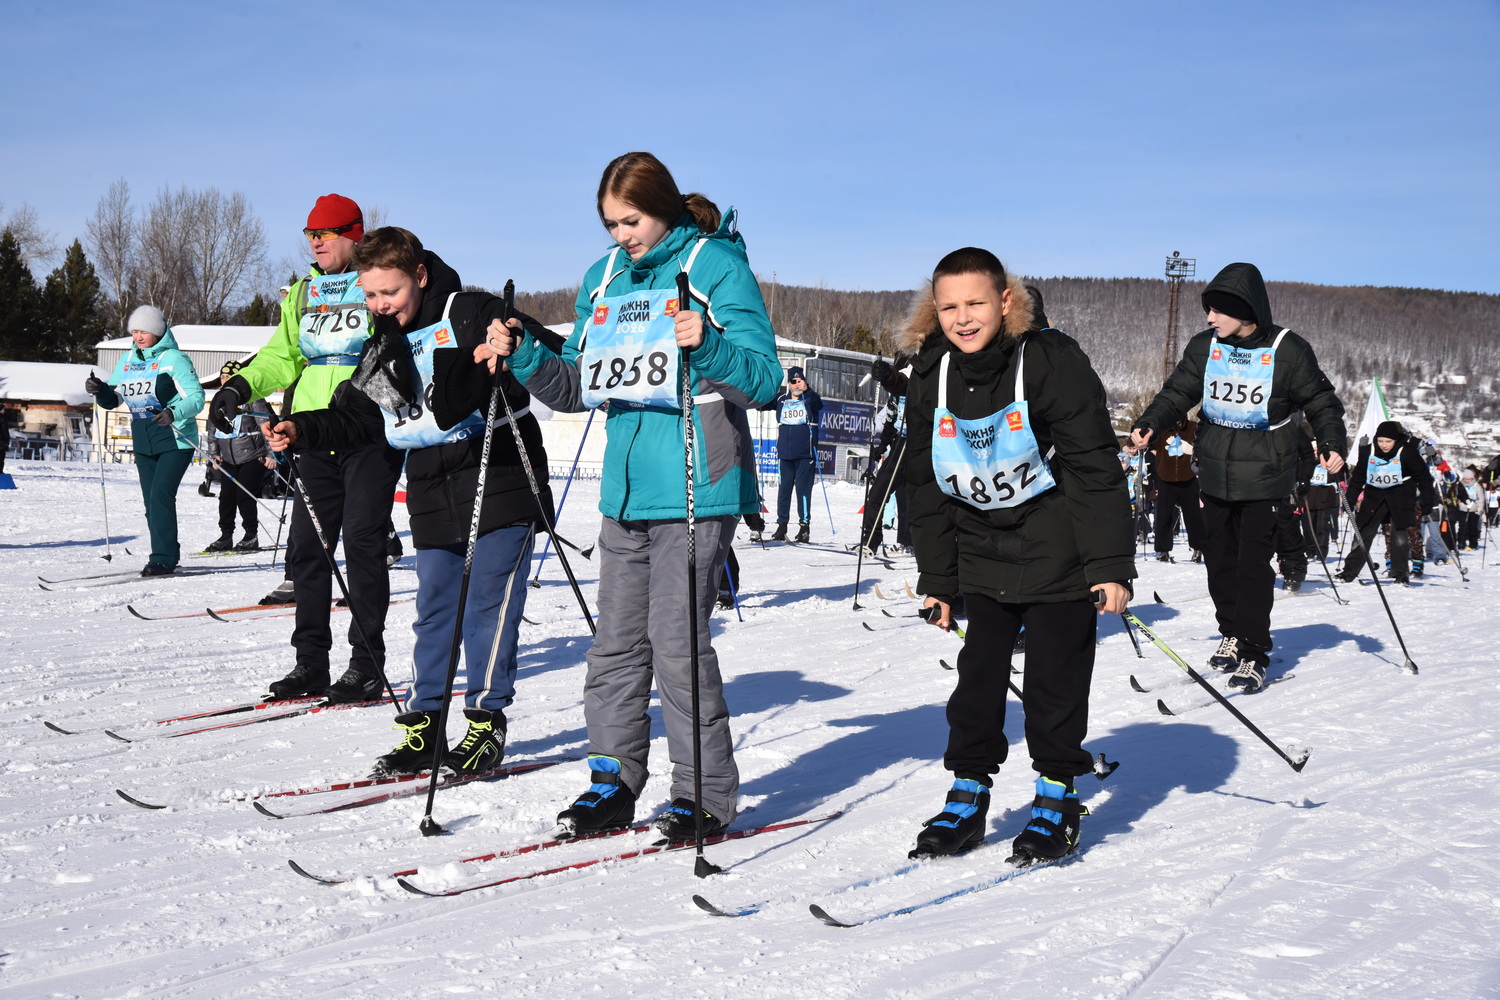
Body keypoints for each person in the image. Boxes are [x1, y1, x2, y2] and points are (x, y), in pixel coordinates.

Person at [479, 151, 780, 842]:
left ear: (663, 207)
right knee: (614, 644)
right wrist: (525, 354)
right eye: (611, 224)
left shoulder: (715, 266)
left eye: (632, 220)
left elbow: (764, 381)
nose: (622, 235)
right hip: (626, 490)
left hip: (698, 483)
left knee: (676, 643)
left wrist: (707, 346)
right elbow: (576, 386)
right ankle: (610, 782)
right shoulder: (604, 277)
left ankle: (703, 794)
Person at [266, 227, 553, 776]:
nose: (380, 305)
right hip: (432, 490)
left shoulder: (469, 310)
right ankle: (425, 727)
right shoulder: (383, 342)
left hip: (499, 481)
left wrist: (511, 345)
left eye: (390, 292)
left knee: (488, 610)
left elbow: (541, 349)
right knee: (434, 613)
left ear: (419, 276)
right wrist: (301, 429)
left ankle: (485, 725)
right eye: (371, 295)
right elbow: (357, 416)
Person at [902, 248, 1134, 865]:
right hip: (982, 550)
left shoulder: (1050, 360)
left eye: (975, 303)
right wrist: (938, 579)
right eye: (948, 306)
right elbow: (926, 482)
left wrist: (1109, 565)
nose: (962, 317)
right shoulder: (933, 372)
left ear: (1005, 301)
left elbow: (1093, 466)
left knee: (1055, 681)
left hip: (1058, 549)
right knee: (977, 683)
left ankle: (1056, 797)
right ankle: (968, 794)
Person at [211, 195, 403, 704]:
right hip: (311, 436)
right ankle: (311, 664)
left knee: (362, 547)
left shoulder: (375, 283)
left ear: (355, 233)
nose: (316, 242)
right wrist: (239, 386)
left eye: (327, 233)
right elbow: (283, 355)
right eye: (310, 234)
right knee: (308, 552)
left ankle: (366, 665)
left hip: (367, 434)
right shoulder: (302, 293)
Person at [1130, 262, 1346, 694]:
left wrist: (1330, 440)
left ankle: (1254, 649)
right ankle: (1230, 631)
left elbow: (1321, 400)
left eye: (1218, 311)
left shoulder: (1288, 349)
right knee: (1219, 560)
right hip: (1214, 472)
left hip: (1265, 474)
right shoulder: (1205, 346)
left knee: (1251, 565)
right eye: (1208, 310)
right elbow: (1178, 391)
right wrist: (1151, 421)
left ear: (1245, 309)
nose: (1210, 318)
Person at [84, 306, 205, 575]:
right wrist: (100, 389)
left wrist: (173, 412)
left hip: (175, 440)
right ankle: (167, 552)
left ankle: (162, 558)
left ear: (158, 331)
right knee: (151, 502)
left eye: (144, 331)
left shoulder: (174, 359)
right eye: (135, 331)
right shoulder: (128, 359)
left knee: (160, 497)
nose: (138, 336)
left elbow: (197, 398)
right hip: (144, 440)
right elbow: (113, 399)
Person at [1337, 421, 1437, 585]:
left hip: (1401, 496)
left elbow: (1424, 478)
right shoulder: (1369, 451)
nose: (1384, 445)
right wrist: (1350, 499)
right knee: (1363, 532)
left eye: (1388, 441)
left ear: (1396, 440)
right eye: (1380, 441)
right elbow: (1358, 478)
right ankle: (1349, 571)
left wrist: (1427, 500)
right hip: (1374, 497)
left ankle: (1400, 573)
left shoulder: (1407, 452)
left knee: (1400, 537)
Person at [204, 364, 274, 553]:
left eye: (230, 377)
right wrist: (214, 453)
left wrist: (271, 454)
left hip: (253, 456)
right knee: (226, 497)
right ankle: (226, 535)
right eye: (223, 377)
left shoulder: (253, 398)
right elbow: (212, 429)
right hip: (228, 458)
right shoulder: (219, 399)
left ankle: (251, 535)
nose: (225, 380)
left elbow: (266, 425)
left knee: (244, 496)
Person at [860, 356, 912, 554]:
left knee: (910, 499)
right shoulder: (895, 397)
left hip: (920, 445)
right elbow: (890, 421)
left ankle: (911, 541)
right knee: (877, 493)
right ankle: (871, 539)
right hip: (900, 443)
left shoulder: (920, 387)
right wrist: (881, 447)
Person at [768, 366, 822, 543]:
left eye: (800, 381)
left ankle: (804, 527)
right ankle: (781, 525)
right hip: (785, 454)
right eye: (793, 381)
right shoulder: (781, 399)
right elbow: (761, 403)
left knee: (803, 491)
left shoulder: (810, 398)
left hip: (805, 454)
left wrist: (808, 390)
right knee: (783, 491)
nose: (797, 384)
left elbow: (819, 404)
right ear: (789, 383)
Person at [1149, 416, 1206, 563]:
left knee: (1193, 516)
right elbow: (1150, 443)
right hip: (1166, 477)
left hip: (1188, 478)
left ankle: (1198, 548)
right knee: (1163, 516)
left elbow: (1202, 445)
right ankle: (1163, 549)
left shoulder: (1193, 427)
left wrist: (1190, 450)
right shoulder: (1162, 428)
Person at [1455, 468, 1483, 550]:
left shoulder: (1477, 486)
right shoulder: (1460, 485)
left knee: (1473, 527)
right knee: (1463, 527)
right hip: (1462, 508)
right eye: (1465, 479)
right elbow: (1456, 495)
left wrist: (1480, 508)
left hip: (1474, 509)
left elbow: (1481, 498)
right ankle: (1461, 543)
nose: (1467, 480)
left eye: (1469, 479)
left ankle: (1473, 544)